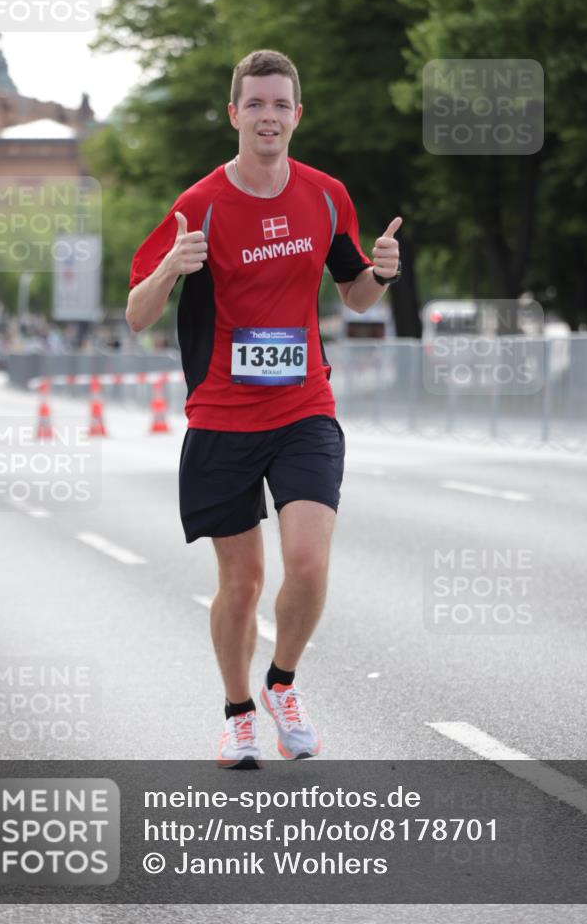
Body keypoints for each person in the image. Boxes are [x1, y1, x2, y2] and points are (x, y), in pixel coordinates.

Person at [126, 49, 401, 768]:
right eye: (256, 104)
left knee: (306, 564)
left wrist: (380, 273)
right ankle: (238, 711)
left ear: (296, 115)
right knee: (241, 584)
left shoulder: (325, 195)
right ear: (234, 115)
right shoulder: (199, 204)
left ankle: (281, 682)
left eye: (280, 104)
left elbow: (354, 292)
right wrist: (168, 269)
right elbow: (135, 314)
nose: (269, 116)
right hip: (221, 414)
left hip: (305, 405)